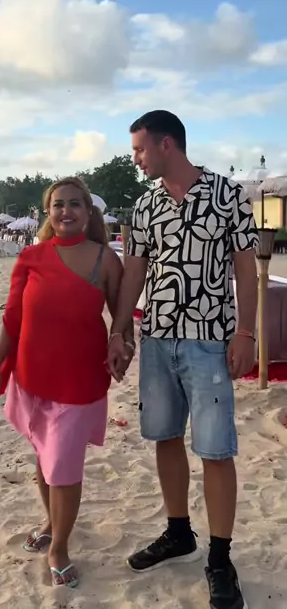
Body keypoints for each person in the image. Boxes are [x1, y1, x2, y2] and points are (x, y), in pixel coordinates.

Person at [108, 110, 258, 609]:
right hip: (157, 339)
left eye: (139, 149)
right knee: (165, 436)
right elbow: (135, 271)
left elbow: (246, 269)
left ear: (166, 144)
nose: (136, 159)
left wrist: (246, 332)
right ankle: (178, 532)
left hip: (210, 340)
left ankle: (220, 557)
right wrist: (120, 331)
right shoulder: (144, 205)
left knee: (216, 449)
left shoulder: (226, 194)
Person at [0, 178, 123, 588]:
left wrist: (123, 345)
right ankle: (51, 521)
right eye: (58, 204)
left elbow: (121, 319)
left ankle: (59, 546)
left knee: (63, 466)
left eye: (75, 204)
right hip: (32, 377)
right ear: (48, 212)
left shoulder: (105, 260)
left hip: (79, 379)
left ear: (89, 212)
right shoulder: (30, 257)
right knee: (45, 457)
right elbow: (12, 317)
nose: (66, 211)